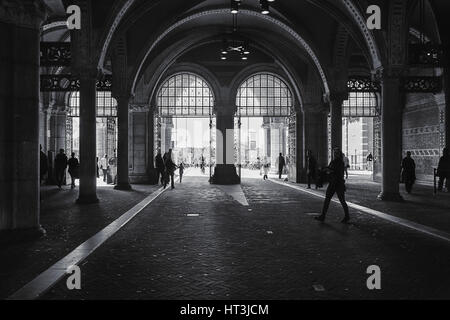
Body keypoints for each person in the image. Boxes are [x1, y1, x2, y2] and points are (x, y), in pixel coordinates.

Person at [315, 148, 350, 223]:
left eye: (336, 153)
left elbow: (336, 172)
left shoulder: (339, 162)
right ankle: (323, 216)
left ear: (339, 154)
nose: (334, 154)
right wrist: (325, 169)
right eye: (334, 153)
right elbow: (331, 168)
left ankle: (346, 216)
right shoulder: (335, 161)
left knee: (339, 200)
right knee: (329, 199)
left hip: (337, 183)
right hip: (335, 183)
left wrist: (327, 170)